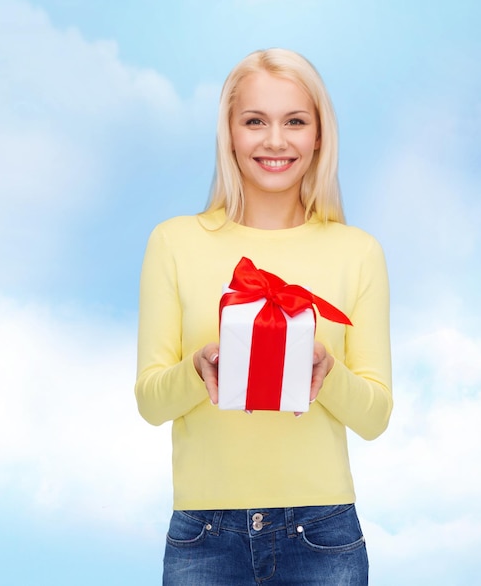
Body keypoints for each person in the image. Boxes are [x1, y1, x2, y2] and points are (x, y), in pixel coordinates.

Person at [135, 48, 392, 585]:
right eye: (255, 121)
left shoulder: (358, 251)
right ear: (229, 132)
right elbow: (150, 402)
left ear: (318, 135)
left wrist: (326, 373)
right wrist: (197, 369)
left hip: (322, 535)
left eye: (295, 121)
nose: (275, 140)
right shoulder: (174, 242)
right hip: (204, 536)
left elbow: (375, 417)